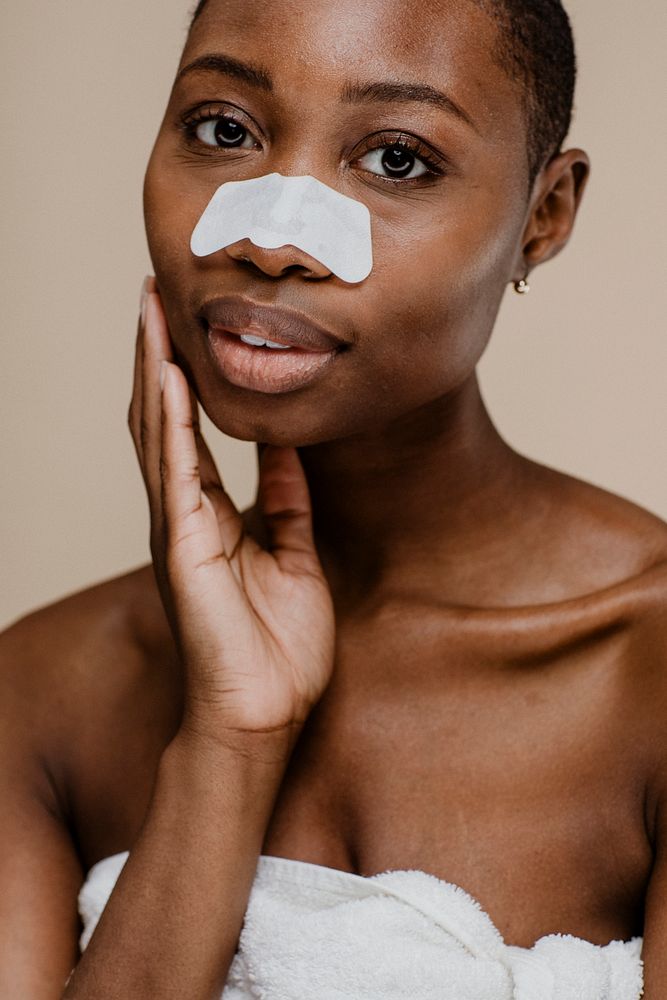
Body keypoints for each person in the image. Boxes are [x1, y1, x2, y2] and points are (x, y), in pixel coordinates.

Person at [1, 0, 665, 996]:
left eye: (397, 159)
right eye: (225, 130)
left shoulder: (647, 669)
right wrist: (229, 739)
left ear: (545, 214)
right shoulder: (43, 693)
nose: (272, 240)